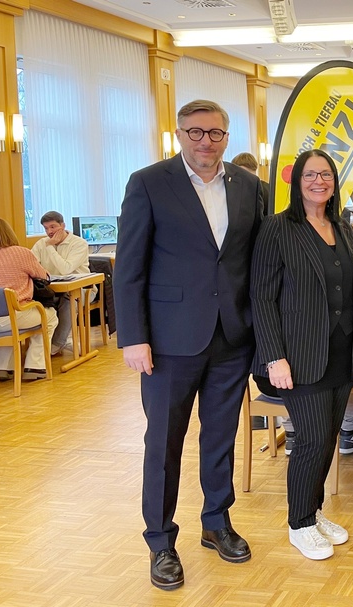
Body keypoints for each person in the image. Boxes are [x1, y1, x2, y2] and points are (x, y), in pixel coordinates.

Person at [114, 99, 263, 591]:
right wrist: (133, 337)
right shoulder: (149, 182)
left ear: (227, 136)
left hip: (230, 337)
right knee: (163, 444)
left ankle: (216, 522)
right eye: (195, 132)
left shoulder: (249, 188)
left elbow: (252, 262)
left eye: (215, 133)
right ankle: (160, 542)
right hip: (167, 342)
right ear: (179, 134)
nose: (205, 142)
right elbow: (129, 268)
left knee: (219, 437)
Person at [250, 149, 353, 560]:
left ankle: (313, 512)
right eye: (311, 175)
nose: (319, 181)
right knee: (311, 439)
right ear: (296, 182)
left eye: (326, 175)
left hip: (339, 353)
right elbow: (261, 297)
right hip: (296, 356)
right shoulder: (278, 228)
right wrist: (273, 356)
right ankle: (298, 523)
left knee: (329, 437)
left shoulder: (343, 228)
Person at [0, 217, 59, 381]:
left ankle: (4, 367)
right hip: (13, 317)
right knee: (49, 316)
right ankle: (35, 366)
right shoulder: (20, 253)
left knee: (2, 315)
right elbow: (44, 277)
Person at [30, 211, 91, 355]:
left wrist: (50, 247)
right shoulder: (40, 244)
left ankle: (56, 344)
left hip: (81, 289)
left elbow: (65, 269)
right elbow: (31, 264)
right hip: (53, 288)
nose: (49, 232)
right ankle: (40, 345)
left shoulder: (79, 243)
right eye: (46, 228)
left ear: (62, 226)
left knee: (69, 298)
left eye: (52, 227)